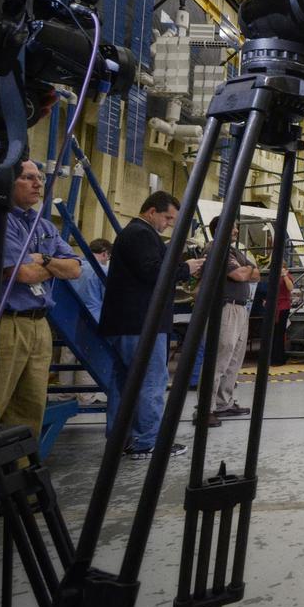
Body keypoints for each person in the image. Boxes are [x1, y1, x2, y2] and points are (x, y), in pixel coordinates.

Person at [0, 160, 81, 443]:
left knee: (28, 414)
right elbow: (19, 273)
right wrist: (51, 266)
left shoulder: (42, 225)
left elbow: (75, 269)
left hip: (37, 325)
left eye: (39, 179)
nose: (38, 184)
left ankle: (15, 481)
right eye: (28, 178)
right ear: (5, 182)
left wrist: (44, 259)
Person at [100, 192, 203, 460]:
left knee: (126, 383)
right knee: (151, 382)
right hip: (142, 324)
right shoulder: (141, 234)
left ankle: (123, 438)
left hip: (128, 323)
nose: (169, 223)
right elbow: (153, 271)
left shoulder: (133, 234)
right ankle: (146, 441)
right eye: (167, 217)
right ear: (151, 212)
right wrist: (185, 268)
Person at [203, 216, 259, 422]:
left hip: (241, 308)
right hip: (225, 307)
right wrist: (246, 271)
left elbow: (256, 274)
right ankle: (205, 408)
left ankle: (223, 403)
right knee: (219, 359)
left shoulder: (235, 252)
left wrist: (246, 270)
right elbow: (239, 276)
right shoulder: (215, 249)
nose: (236, 231)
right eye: (233, 227)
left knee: (234, 360)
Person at [68, 237, 112, 405]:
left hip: (70, 314)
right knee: (87, 356)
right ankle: (85, 397)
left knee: (68, 355)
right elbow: (107, 298)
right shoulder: (101, 271)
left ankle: (65, 395)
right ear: (104, 253)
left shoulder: (75, 266)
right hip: (92, 317)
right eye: (108, 257)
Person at [269, 269, 295, 366]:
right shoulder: (274, 275)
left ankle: (278, 358)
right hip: (274, 306)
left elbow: (290, 288)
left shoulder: (287, 276)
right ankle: (273, 357)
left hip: (282, 306)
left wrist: (284, 276)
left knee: (279, 333)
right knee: (274, 333)